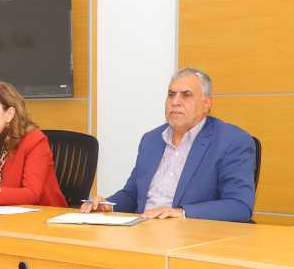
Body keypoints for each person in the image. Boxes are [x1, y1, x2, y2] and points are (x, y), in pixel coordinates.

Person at [82, 67, 255, 222]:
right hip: (143, 231)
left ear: (206, 104)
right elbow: (133, 194)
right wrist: (107, 205)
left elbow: (239, 206)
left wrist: (182, 213)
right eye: (171, 94)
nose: (175, 101)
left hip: (190, 237)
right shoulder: (151, 140)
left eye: (186, 95)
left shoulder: (232, 141)